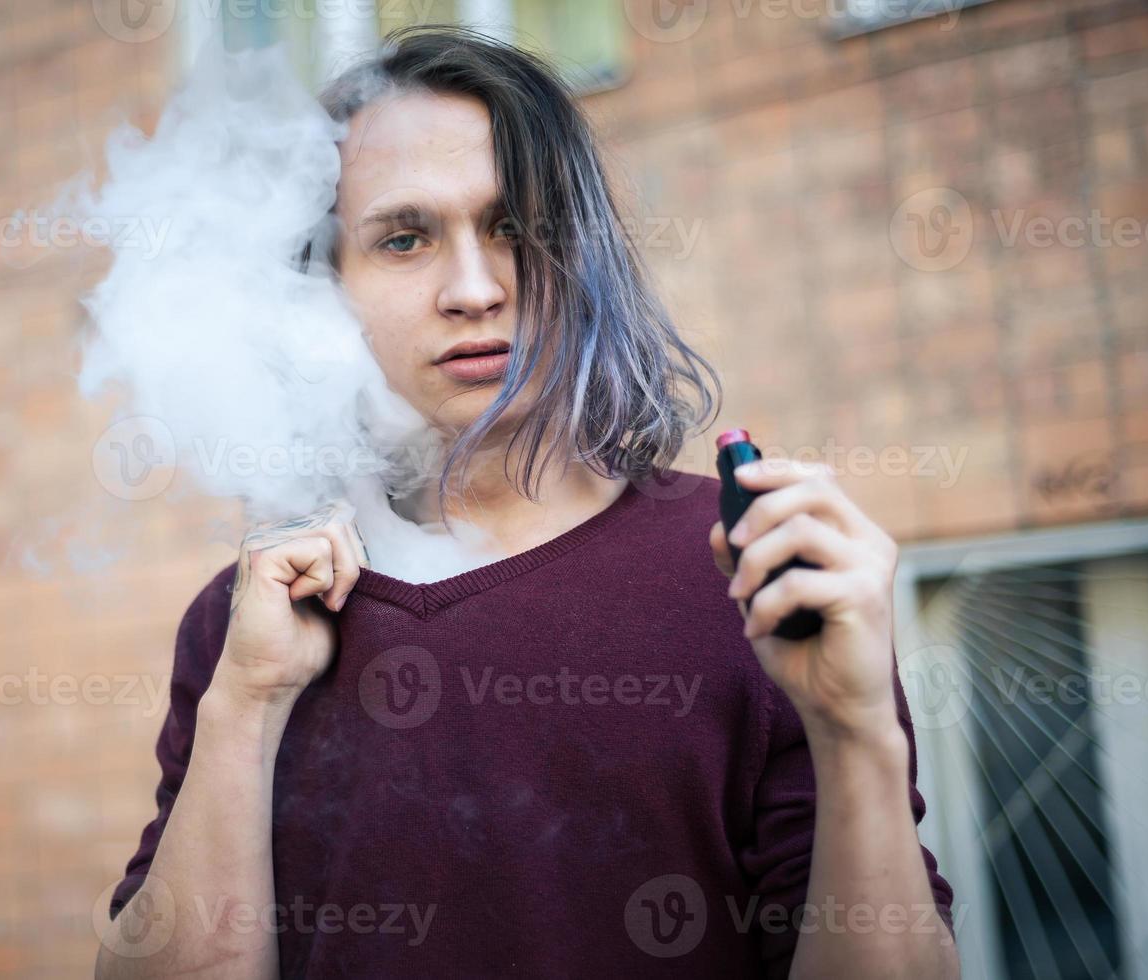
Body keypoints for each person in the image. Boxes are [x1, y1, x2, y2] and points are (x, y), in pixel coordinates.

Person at [96, 26, 958, 980]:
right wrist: (245, 703)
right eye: (403, 238)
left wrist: (855, 733)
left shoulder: (748, 573)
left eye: (515, 227)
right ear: (323, 290)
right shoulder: (248, 620)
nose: (473, 289)